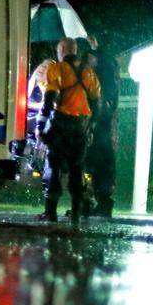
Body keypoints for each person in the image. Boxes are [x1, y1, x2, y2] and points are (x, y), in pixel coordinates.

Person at [37, 37, 101, 225]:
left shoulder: (56, 69)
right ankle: (76, 212)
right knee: (76, 168)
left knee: (53, 166)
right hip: (80, 126)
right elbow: (96, 104)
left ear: (63, 49)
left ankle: (51, 212)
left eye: (58, 50)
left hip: (61, 124)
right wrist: (90, 127)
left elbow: (49, 99)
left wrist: (40, 126)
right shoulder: (89, 72)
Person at [85, 36, 119, 217]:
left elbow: (105, 95)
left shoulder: (105, 69)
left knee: (99, 162)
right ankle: (94, 201)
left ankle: (102, 202)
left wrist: (97, 50)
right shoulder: (103, 70)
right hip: (97, 123)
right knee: (92, 163)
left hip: (100, 124)